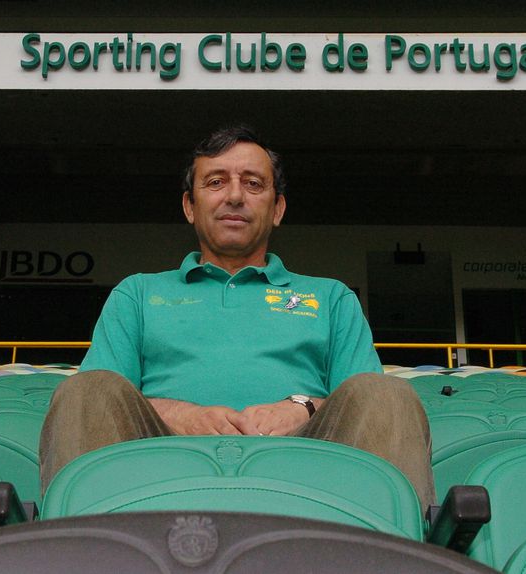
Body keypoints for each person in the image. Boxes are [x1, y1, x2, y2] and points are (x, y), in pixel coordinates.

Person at [39, 125, 436, 510]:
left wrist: (302, 406)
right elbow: (101, 403)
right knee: (83, 391)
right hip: (156, 466)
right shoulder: (138, 293)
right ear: (189, 207)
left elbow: (365, 407)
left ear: (277, 208)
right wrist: (182, 415)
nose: (234, 196)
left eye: (253, 183)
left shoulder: (331, 297)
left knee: (389, 394)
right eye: (215, 182)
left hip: (308, 466)